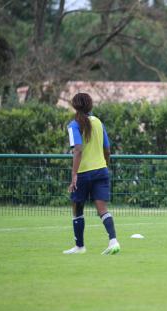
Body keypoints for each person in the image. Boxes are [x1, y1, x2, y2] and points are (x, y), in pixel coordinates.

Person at [63, 93, 120, 255]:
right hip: (101, 170)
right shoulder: (98, 122)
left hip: (83, 173)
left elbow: (78, 150)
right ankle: (113, 241)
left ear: (75, 106)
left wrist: (74, 175)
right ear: (90, 106)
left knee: (77, 209)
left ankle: (80, 246)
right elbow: (107, 150)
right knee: (102, 209)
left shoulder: (73, 125)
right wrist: (104, 166)